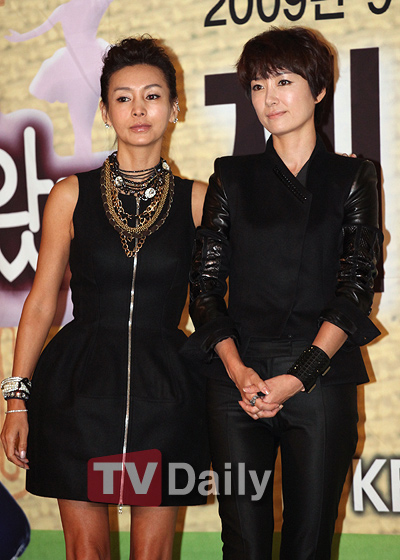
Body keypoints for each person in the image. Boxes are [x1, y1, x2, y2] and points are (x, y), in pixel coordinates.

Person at [1, 36, 209, 560]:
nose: (138, 109)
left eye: (153, 96)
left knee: (152, 555)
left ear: (174, 107)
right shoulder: (70, 194)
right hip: (78, 392)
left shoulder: (201, 201)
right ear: (104, 110)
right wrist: (16, 398)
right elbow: (41, 303)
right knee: (86, 552)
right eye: (123, 97)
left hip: (166, 395)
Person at [187, 27, 383, 560]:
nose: (268, 97)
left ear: (318, 90)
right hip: (237, 382)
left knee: (309, 542)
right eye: (257, 86)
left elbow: (357, 285)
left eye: (283, 81)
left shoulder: (352, 176)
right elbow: (204, 286)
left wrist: (300, 376)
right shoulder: (231, 177)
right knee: (242, 544)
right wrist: (237, 370)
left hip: (320, 378)